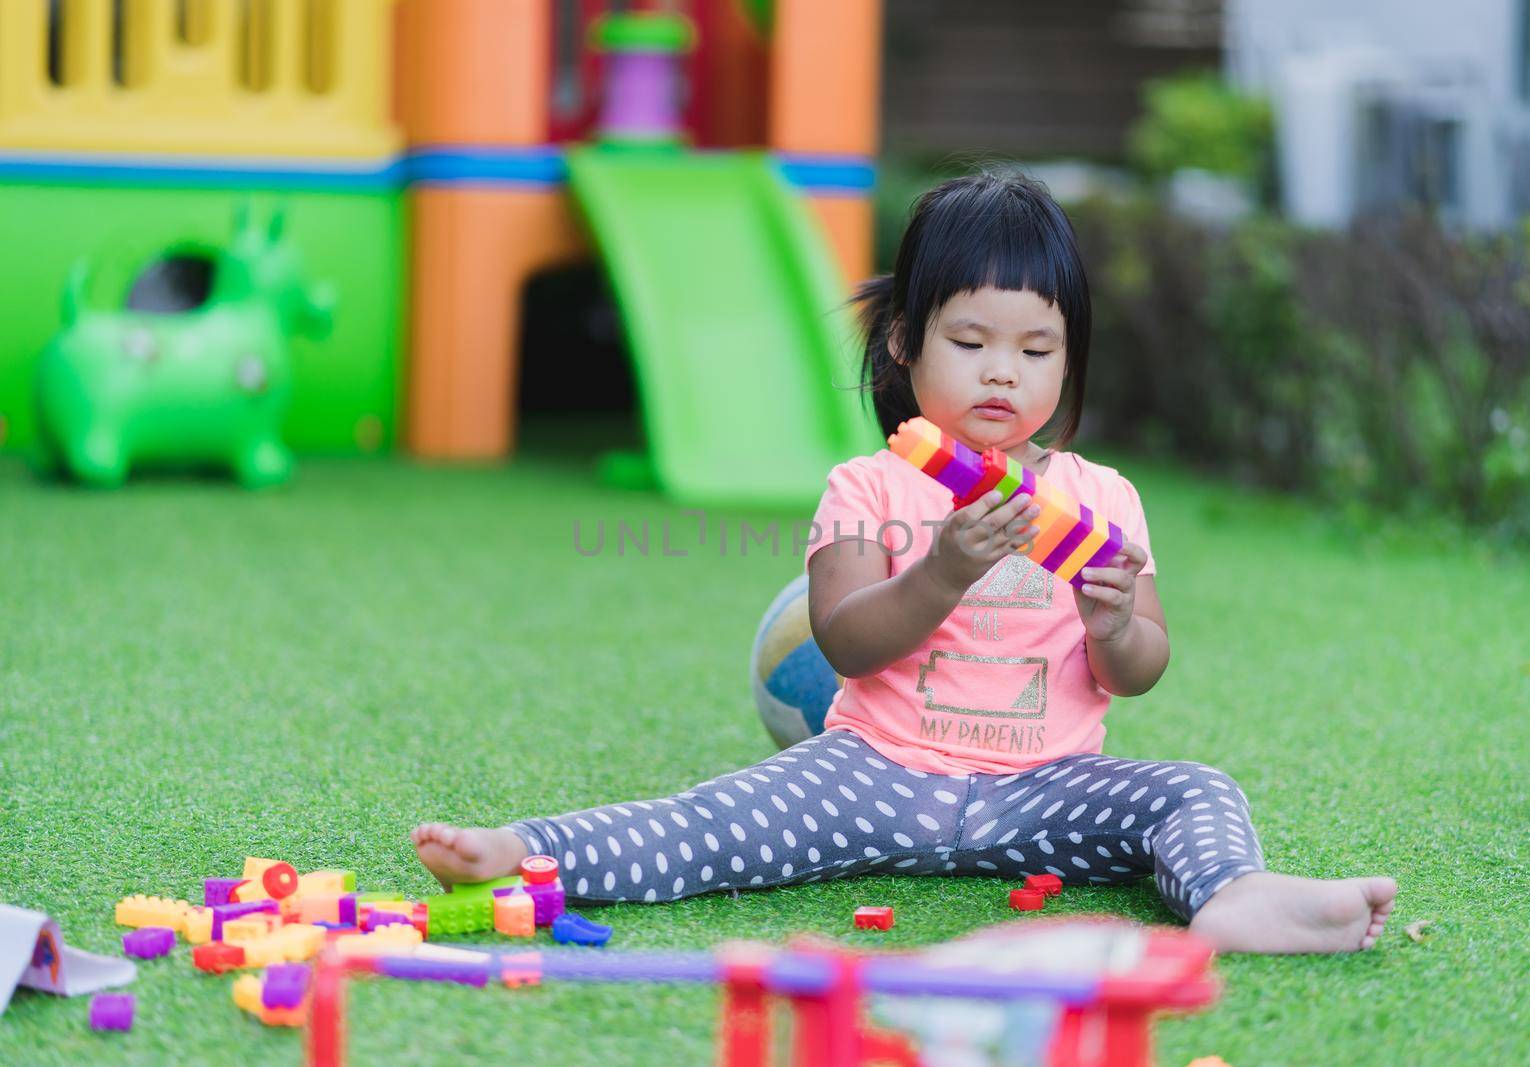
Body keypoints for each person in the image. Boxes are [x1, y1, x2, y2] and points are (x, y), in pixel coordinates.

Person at [412, 168, 1396, 953]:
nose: (1003, 371)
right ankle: (526, 855)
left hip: (1042, 785)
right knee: (709, 817)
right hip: (875, 772)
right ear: (904, 340)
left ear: (1069, 359)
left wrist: (1112, 625)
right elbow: (844, 640)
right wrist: (940, 570)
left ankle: (1233, 896)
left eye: (1037, 348)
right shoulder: (867, 488)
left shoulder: (1102, 499)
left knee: (1195, 787)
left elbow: (1141, 665)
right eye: (970, 339)